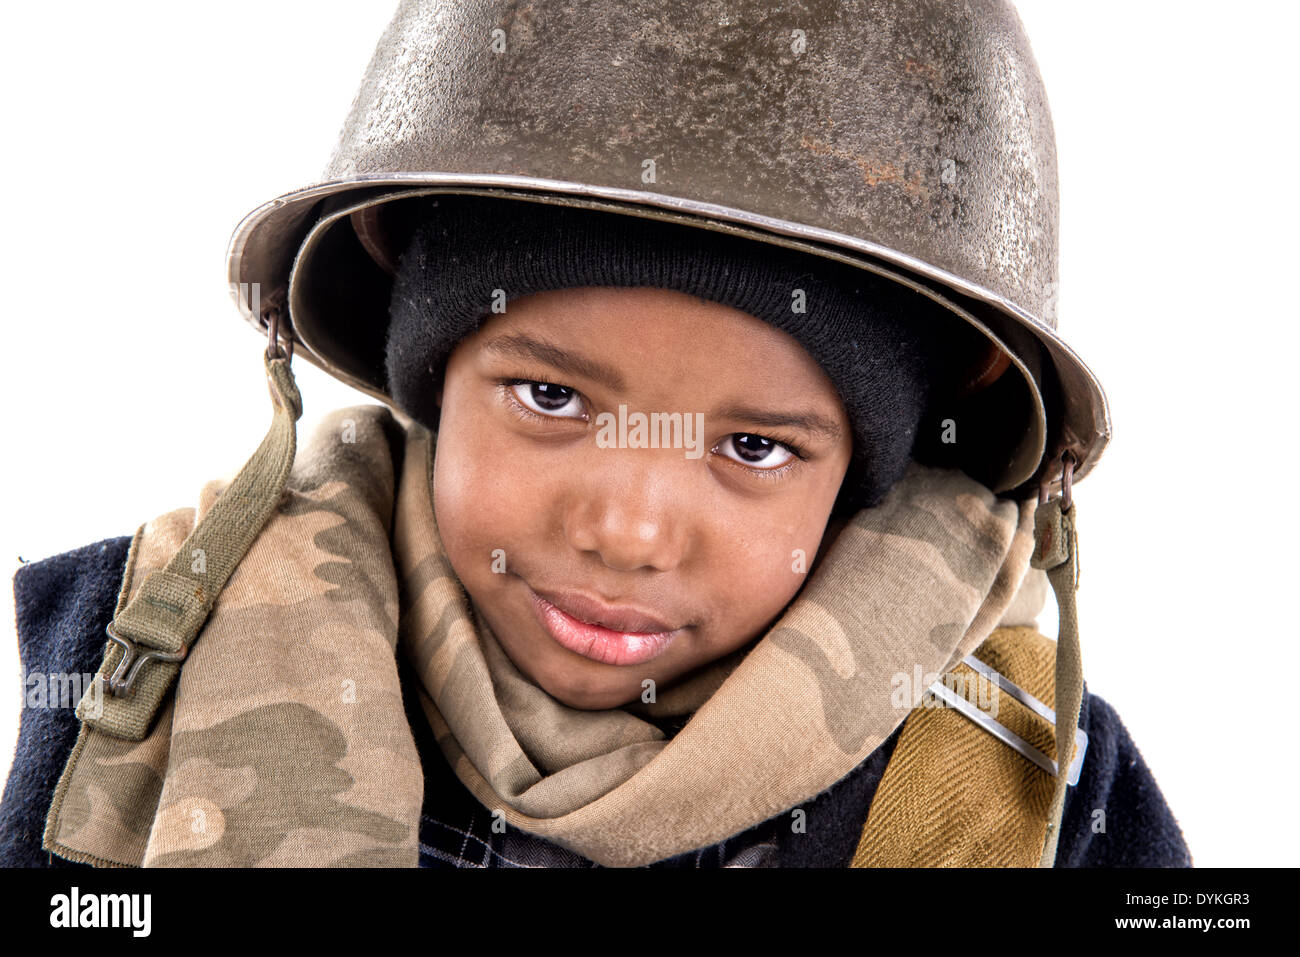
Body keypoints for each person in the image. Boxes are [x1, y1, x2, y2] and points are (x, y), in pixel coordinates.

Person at [0, 0, 1192, 868]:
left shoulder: (1032, 784)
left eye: (757, 449)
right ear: (430, 377)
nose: (626, 532)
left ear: (869, 480)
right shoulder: (139, 649)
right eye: (553, 400)